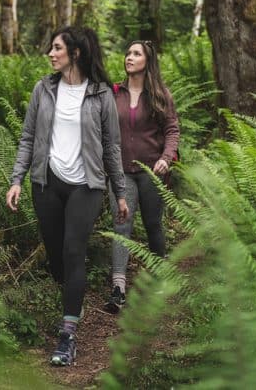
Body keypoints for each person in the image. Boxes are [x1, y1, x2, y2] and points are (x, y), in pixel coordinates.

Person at [6, 25, 129, 367]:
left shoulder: (101, 95)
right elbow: (28, 137)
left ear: (75, 53)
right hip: (46, 183)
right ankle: (72, 296)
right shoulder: (43, 89)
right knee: (57, 255)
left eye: (57, 48)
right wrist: (17, 179)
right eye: (51, 47)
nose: (51, 53)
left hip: (86, 185)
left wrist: (119, 192)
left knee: (74, 250)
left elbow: (111, 147)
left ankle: (67, 334)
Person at [106, 40, 180, 312]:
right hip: (121, 171)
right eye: (128, 53)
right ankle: (118, 288)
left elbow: (172, 130)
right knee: (121, 226)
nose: (130, 57)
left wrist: (166, 158)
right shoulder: (114, 93)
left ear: (148, 61)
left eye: (136, 54)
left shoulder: (161, 94)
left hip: (151, 170)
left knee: (153, 224)